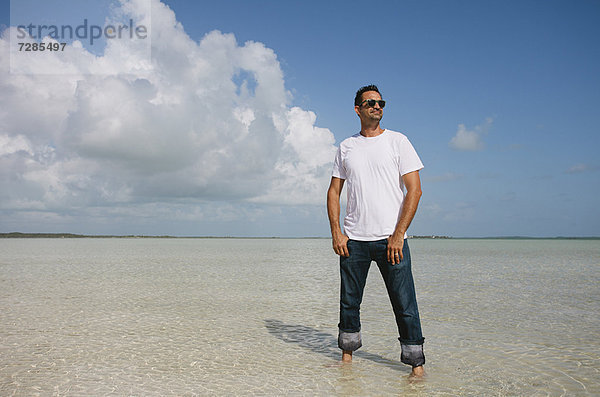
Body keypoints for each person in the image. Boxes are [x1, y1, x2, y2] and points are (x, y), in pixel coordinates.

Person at [326, 84, 425, 377]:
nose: (377, 107)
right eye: (370, 103)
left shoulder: (398, 142)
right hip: (354, 240)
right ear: (358, 109)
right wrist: (336, 232)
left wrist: (398, 234)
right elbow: (333, 192)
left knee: (405, 304)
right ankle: (346, 362)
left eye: (381, 103)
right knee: (349, 302)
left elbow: (415, 191)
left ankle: (416, 368)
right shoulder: (346, 147)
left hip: (391, 240)